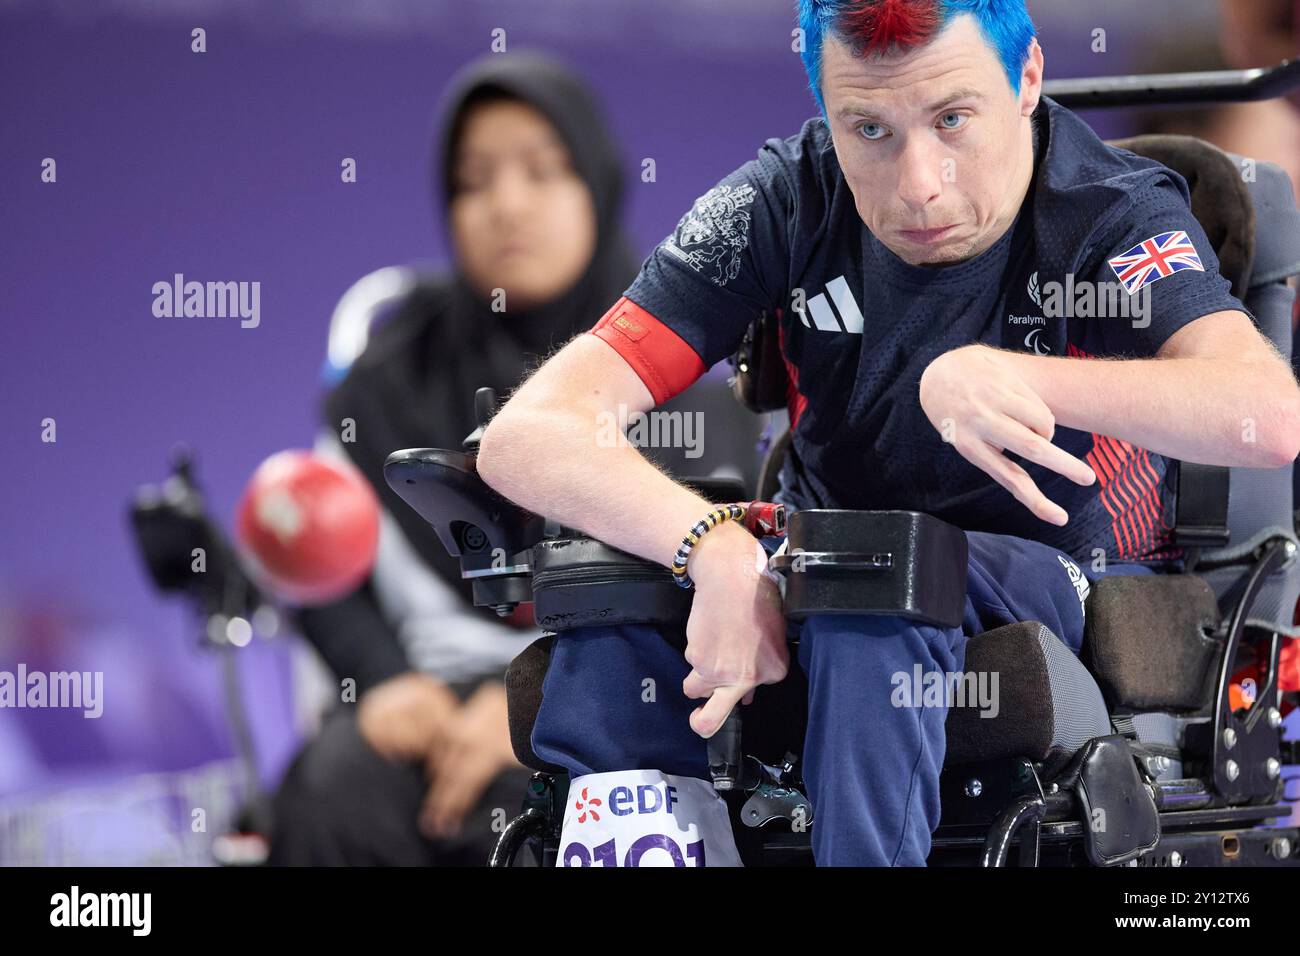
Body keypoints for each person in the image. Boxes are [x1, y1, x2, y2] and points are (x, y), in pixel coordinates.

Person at [474, 0, 1300, 866]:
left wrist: (1021, 376)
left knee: (870, 579)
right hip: (815, 558)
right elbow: (525, 437)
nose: (919, 184)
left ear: (1026, 80)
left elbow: (1267, 414)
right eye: (868, 128)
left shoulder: (1110, 211)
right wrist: (710, 545)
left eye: (952, 119)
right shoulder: (784, 199)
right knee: (615, 600)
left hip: (1049, 575)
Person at [268, 52, 647, 866]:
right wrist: (379, 681)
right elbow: (321, 568)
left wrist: (540, 707)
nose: (507, 205)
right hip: (418, 703)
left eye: (543, 173)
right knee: (335, 790)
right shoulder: (389, 375)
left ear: (598, 186)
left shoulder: (672, 370)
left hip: (596, 712)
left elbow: (691, 603)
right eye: (475, 181)